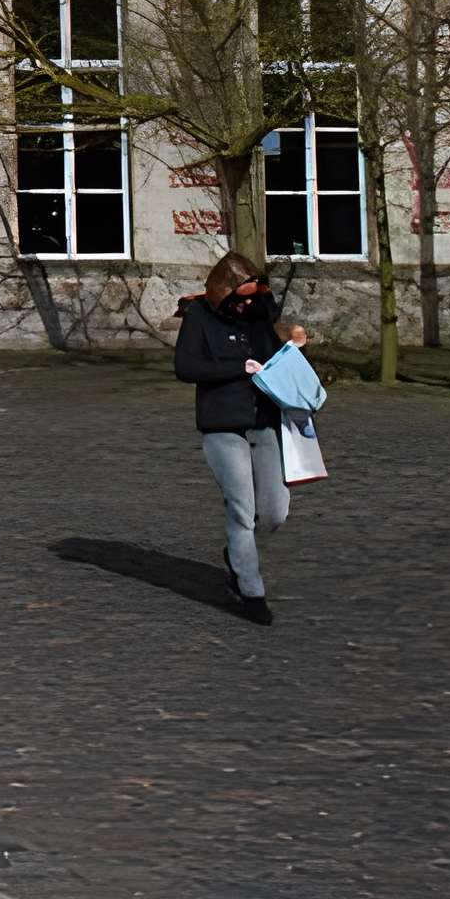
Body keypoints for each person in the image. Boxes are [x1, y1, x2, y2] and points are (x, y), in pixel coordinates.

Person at [173, 251, 313, 626]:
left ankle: (235, 556)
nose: (248, 303)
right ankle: (250, 590)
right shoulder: (199, 317)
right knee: (240, 509)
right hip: (222, 426)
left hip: (263, 422)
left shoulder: (259, 317)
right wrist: (238, 368)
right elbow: (185, 367)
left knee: (274, 512)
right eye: (241, 297)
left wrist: (294, 347)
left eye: (253, 297)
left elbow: (274, 355)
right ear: (225, 293)